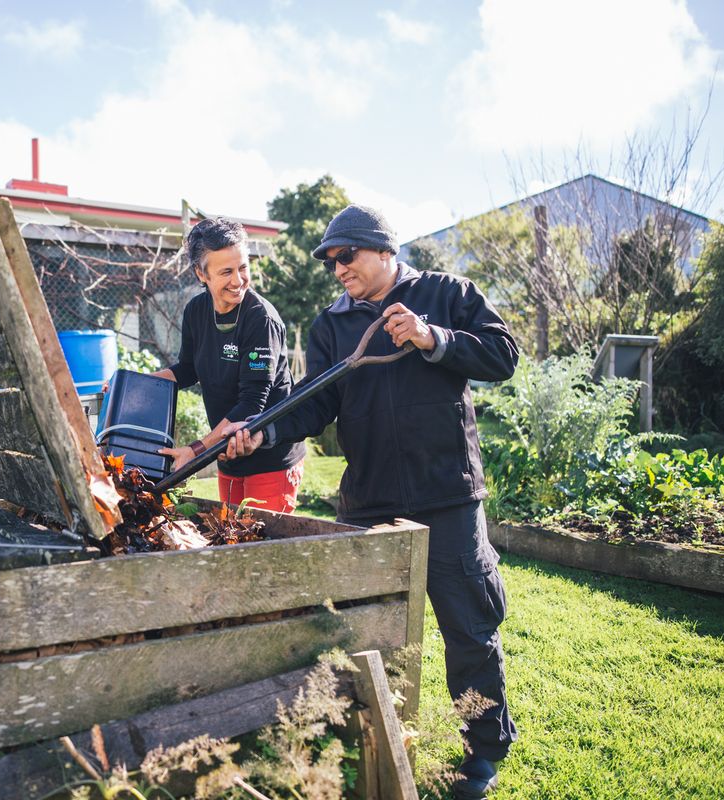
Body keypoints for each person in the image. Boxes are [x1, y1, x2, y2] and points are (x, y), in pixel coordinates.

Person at [222, 204, 519, 798]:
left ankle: (478, 755)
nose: (337, 268)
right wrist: (264, 428)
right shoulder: (331, 324)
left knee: (468, 627)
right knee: (355, 632)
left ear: (383, 249)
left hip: (446, 493)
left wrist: (433, 337)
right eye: (330, 260)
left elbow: (502, 354)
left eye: (346, 255)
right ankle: (363, 740)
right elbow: (315, 400)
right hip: (368, 500)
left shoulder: (445, 292)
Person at [149, 217, 306, 512]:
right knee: (231, 539)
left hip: (271, 458)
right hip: (229, 454)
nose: (238, 280)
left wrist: (196, 451)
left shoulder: (261, 319)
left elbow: (252, 403)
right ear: (201, 273)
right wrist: (136, 383)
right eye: (226, 272)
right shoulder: (197, 310)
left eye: (243, 268)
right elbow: (187, 368)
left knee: (264, 551)